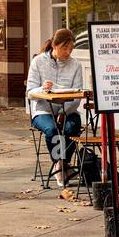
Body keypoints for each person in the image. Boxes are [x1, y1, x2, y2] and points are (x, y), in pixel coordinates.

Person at [26, 29, 85, 188]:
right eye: (65, 48)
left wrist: (63, 112)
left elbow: (78, 93)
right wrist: (42, 89)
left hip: (68, 109)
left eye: (71, 49)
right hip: (43, 111)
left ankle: (63, 163)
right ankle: (60, 164)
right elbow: (30, 92)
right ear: (54, 45)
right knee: (52, 130)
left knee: (71, 127)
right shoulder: (38, 61)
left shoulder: (76, 65)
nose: (68, 52)